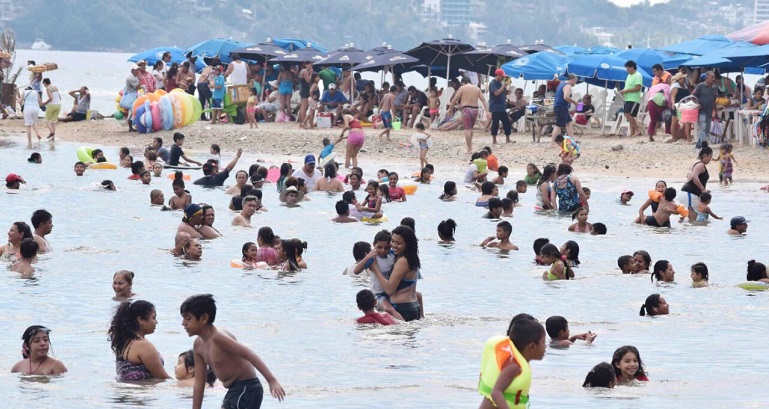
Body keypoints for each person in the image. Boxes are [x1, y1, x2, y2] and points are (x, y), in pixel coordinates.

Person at [181, 294, 285, 409]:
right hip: (234, 390)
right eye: (183, 318)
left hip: (248, 388)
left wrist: (272, 380)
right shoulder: (198, 346)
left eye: (188, 318)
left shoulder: (219, 338)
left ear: (204, 318)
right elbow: (199, 383)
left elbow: (249, 354)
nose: (183, 323)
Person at [477, 316, 546, 409]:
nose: (545, 346)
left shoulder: (519, 364)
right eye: (543, 342)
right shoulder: (513, 366)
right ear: (532, 346)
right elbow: (496, 392)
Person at [108, 300, 171, 381]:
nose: (156, 322)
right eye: (153, 317)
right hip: (143, 392)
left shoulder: (123, 343)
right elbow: (163, 377)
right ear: (141, 320)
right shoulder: (143, 345)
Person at [369, 226, 421, 321]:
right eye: (392, 241)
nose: (393, 245)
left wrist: (375, 269)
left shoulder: (402, 261)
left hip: (402, 309)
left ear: (407, 244)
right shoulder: (412, 258)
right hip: (414, 307)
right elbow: (418, 294)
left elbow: (389, 290)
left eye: (398, 243)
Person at [449, 77, 490, 154]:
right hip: (475, 109)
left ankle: (469, 148)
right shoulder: (477, 89)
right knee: (470, 128)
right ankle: (470, 146)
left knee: (467, 129)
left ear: (463, 82)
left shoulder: (462, 88)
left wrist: (450, 109)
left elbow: (454, 100)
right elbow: (483, 100)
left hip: (466, 109)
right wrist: (487, 111)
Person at [681, 143, 713, 222]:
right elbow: (694, 177)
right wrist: (702, 189)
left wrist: (703, 189)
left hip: (689, 193)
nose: (710, 159)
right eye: (710, 157)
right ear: (705, 155)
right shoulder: (700, 165)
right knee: (694, 221)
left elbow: (690, 177)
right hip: (690, 194)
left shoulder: (695, 163)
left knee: (689, 220)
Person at [692, 71, 717, 148]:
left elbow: (714, 100)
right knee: (703, 127)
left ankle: (699, 144)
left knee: (706, 129)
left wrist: (715, 111)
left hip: (709, 111)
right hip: (701, 110)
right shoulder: (700, 86)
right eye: (712, 77)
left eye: (714, 77)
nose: (713, 79)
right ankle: (703, 145)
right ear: (707, 77)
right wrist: (697, 103)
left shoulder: (714, 88)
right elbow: (692, 96)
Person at [619, 60, 644, 137]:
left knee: (628, 114)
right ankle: (632, 132)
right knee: (629, 116)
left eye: (627, 68)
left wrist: (626, 90)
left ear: (632, 67)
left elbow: (638, 88)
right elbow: (628, 86)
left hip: (634, 99)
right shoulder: (629, 75)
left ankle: (637, 130)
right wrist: (624, 92)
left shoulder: (638, 75)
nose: (626, 70)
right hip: (627, 98)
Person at [488, 69, 513, 143]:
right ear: (498, 75)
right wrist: (503, 86)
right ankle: (494, 140)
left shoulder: (500, 84)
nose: (503, 78)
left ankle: (508, 138)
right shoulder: (492, 83)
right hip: (495, 106)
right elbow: (496, 93)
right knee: (495, 123)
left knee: (507, 122)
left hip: (502, 106)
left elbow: (503, 93)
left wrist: (506, 88)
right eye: (502, 76)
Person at [551, 74, 578, 143]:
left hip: (559, 106)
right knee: (558, 125)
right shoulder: (568, 86)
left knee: (569, 122)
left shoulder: (561, 84)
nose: (575, 83)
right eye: (575, 81)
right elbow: (566, 97)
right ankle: (552, 142)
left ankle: (571, 140)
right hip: (562, 107)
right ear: (573, 80)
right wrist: (575, 103)